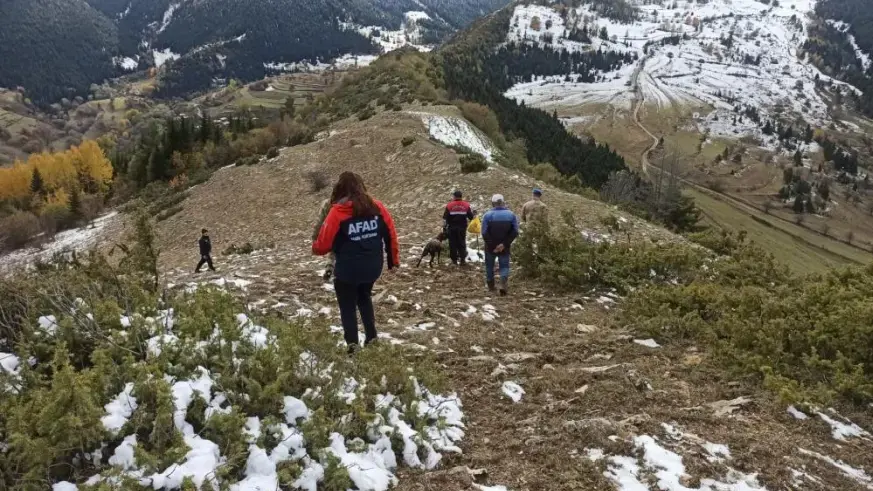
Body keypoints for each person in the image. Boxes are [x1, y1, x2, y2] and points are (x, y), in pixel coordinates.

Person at [313, 172, 400, 354]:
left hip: (348, 271)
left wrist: (316, 248)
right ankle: (372, 338)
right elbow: (390, 233)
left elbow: (323, 245)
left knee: (347, 307)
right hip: (372, 267)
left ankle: (353, 348)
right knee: (364, 296)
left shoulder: (337, 211)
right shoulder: (377, 207)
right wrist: (393, 261)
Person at [482, 194, 518, 296]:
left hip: (490, 247)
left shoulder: (487, 215)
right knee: (504, 266)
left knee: (489, 266)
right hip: (505, 247)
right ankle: (503, 283)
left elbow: (484, 232)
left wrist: (493, 246)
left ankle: (491, 286)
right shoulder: (511, 215)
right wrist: (504, 244)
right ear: (503, 202)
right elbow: (515, 231)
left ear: (492, 203)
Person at [443, 190, 475, 265]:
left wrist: (444, 228)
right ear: (461, 196)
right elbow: (471, 217)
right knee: (461, 242)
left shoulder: (449, 205)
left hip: (452, 228)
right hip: (462, 228)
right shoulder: (466, 205)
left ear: (454, 197)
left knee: (452, 243)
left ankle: (454, 260)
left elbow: (445, 218)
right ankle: (462, 260)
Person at [313, 198, 335, 281]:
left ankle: (329, 267)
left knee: (333, 250)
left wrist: (315, 237)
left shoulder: (327, 203)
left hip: (331, 229)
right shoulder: (354, 202)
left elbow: (320, 220)